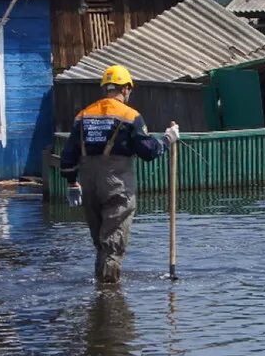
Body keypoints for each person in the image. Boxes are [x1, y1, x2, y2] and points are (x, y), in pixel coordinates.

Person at [60, 64, 179, 284]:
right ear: (125, 89)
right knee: (113, 244)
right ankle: (109, 300)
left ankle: (99, 293)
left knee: (101, 243)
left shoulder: (83, 115)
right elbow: (148, 152)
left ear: (106, 88)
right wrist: (167, 139)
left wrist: (71, 183)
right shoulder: (129, 116)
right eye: (129, 90)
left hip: (89, 187)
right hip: (116, 185)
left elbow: (68, 155)